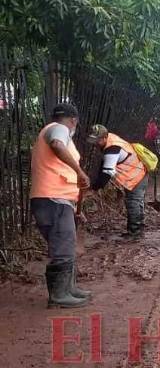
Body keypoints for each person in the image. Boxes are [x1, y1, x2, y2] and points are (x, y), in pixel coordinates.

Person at [30, 103, 92, 308]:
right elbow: (57, 144)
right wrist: (80, 171)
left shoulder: (52, 130)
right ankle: (58, 296)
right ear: (73, 120)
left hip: (56, 200)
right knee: (62, 246)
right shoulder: (59, 129)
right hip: (52, 199)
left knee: (66, 243)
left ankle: (68, 289)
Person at [87, 125, 149, 239]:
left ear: (105, 137)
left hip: (135, 176)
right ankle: (139, 228)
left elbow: (107, 172)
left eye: (97, 140)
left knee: (133, 203)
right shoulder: (111, 139)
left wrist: (94, 188)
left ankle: (134, 232)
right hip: (139, 173)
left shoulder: (112, 148)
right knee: (137, 202)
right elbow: (105, 164)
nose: (95, 143)